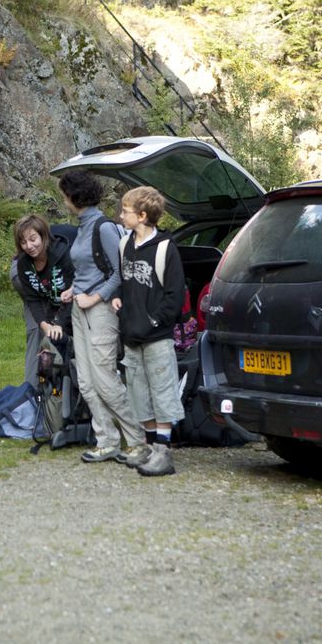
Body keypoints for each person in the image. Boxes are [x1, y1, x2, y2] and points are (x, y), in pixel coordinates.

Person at [58, 170, 147, 465]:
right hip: (80, 309)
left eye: (65, 195)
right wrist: (73, 290)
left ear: (74, 197)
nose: (64, 201)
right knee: (85, 381)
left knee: (105, 379)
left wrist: (94, 297)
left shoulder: (103, 227)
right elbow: (88, 269)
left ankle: (137, 441)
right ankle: (106, 441)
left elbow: (119, 273)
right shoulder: (83, 226)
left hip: (100, 311)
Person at [112, 186, 186, 476]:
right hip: (131, 335)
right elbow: (123, 280)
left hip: (156, 337)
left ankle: (163, 453)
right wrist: (119, 296)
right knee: (139, 393)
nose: (120, 216)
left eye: (125, 212)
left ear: (142, 215)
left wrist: (154, 322)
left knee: (162, 391)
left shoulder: (166, 248)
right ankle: (148, 447)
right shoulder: (124, 245)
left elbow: (175, 295)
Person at [12, 214, 74, 385]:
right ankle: (45, 394)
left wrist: (60, 324)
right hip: (50, 310)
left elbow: (72, 294)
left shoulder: (64, 255)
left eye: (33, 239)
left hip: (75, 310)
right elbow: (32, 299)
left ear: (43, 235)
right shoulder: (24, 264)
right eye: (23, 242)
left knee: (72, 356)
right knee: (46, 349)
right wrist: (45, 324)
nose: (29, 246)